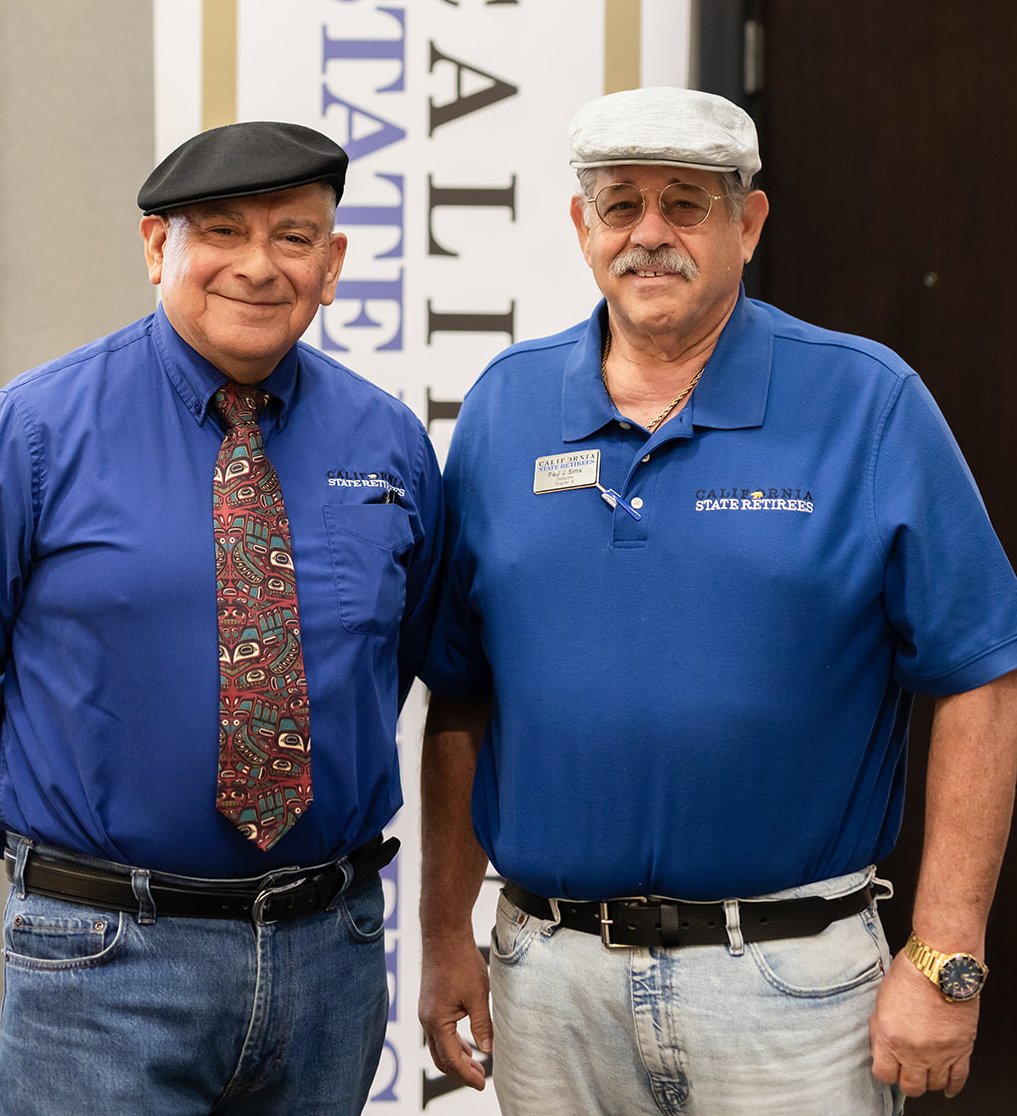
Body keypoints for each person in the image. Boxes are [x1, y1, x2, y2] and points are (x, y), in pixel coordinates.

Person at [418, 86, 1017, 1115]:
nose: (648, 234)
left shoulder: (867, 402)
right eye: (620, 205)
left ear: (747, 224)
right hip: (550, 983)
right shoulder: (503, 407)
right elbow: (460, 696)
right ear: (581, 226)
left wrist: (943, 957)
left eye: (684, 204)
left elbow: (979, 679)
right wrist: (441, 936)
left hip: (790, 989)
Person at [0, 121, 442, 1116]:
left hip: (329, 959)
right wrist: (61, 862)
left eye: (294, 236)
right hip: (103, 963)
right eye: (221, 230)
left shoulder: (388, 442)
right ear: (154, 246)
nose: (258, 265)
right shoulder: (27, 436)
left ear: (332, 263)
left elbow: (383, 671)